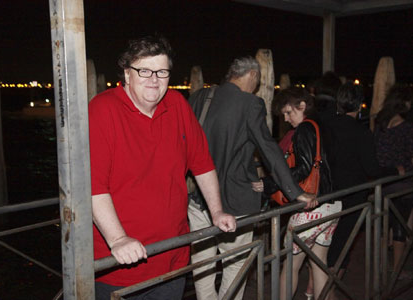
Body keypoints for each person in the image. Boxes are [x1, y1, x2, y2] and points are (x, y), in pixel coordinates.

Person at [88, 34, 236, 300]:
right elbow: (91, 187)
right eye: (144, 70)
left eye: (162, 71)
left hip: (173, 256)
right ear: (127, 73)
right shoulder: (102, 110)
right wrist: (118, 239)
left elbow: (202, 163)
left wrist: (217, 211)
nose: (154, 79)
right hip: (119, 266)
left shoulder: (177, 104)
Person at [188, 57, 317, 300]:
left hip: (198, 198)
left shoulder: (199, 98)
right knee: (235, 266)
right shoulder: (250, 103)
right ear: (253, 77)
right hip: (235, 200)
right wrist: (294, 191)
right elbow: (268, 149)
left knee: (202, 267)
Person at [324, 82, 401, 299]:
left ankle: (322, 291)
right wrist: (395, 170)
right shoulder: (361, 132)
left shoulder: (326, 125)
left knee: (327, 243)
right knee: (343, 244)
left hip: (328, 192)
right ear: (359, 105)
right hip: (352, 194)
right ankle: (329, 292)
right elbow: (373, 169)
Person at [263, 87, 340, 300]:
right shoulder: (326, 126)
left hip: (312, 207)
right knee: (319, 264)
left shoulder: (305, 129)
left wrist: (269, 184)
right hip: (332, 203)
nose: (286, 119)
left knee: (290, 265)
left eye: (288, 112)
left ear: (302, 106)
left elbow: (303, 168)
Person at [374, 84, 413, 280]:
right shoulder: (406, 128)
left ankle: (381, 266)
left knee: (384, 226)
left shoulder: (381, 124)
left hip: (383, 181)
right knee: (400, 226)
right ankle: (397, 269)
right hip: (403, 183)